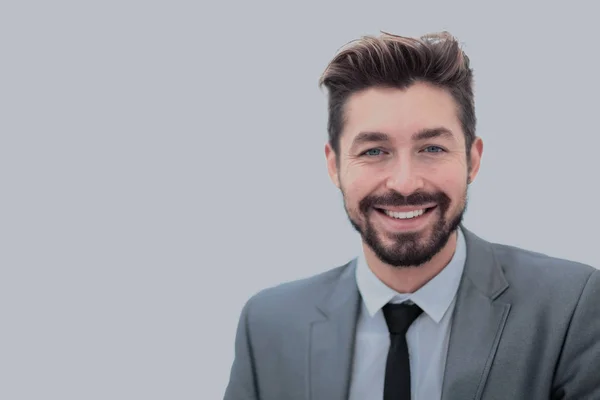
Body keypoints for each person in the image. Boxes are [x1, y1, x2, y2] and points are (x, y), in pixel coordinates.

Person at [223, 31, 600, 400]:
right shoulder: (267, 324)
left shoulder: (570, 309)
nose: (404, 183)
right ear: (334, 166)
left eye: (432, 148)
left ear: (473, 159)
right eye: (373, 151)